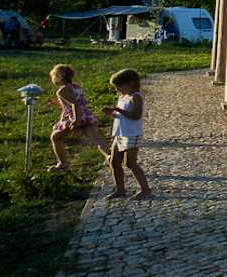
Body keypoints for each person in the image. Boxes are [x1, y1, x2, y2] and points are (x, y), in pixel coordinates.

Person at [99, 68, 151, 199]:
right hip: (119, 133)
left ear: (130, 83)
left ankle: (145, 189)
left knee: (130, 163)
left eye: (119, 87)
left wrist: (119, 111)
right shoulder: (123, 97)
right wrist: (111, 113)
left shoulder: (136, 97)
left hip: (132, 134)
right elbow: (120, 116)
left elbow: (136, 115)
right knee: (114, 162)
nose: (118, 90)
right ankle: (120, 189)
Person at [48, 64, 109, 171]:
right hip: (86, 115)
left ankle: (62, 164)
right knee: (96, 138)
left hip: (74, 117)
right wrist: (57, 103)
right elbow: (75, 102)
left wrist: (76, 121)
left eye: (53, 76)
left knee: (56, 137)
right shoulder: (76, 86)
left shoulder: (62, 91)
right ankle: (110, 156)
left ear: (59, 77)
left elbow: (74, 104)